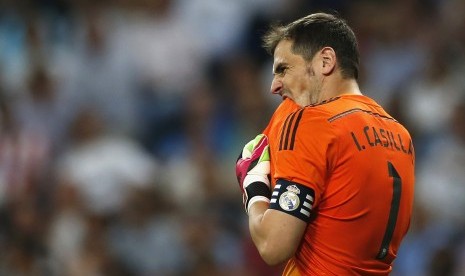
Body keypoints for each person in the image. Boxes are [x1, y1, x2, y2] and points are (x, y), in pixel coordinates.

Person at [235, 12, 415, 275]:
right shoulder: (400, 135)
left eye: (283, 69)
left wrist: (254, 188)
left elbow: (273, 246)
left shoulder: (312, 122)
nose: (274, 85)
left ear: (326, 61)